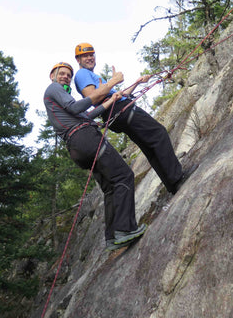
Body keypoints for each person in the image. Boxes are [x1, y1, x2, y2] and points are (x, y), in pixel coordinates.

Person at [44, 62, 146, 251]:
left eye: (68, 75)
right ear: (52, 75)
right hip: (86, 139)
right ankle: (124, 229)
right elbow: (77, 110)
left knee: (110, 188)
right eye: (62, 74)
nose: (66, 77)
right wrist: (109, 85)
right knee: (124, 176)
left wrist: (110, 100)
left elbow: (87, 115)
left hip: (77, 147)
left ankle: (112, 237)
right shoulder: (54, 88)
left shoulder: (62, 99)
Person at [73, 43, 186, 195]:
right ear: (78, 59)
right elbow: (91, 98)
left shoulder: (93, 76)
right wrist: (113, 81)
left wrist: (138, 81)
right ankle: (177, 178)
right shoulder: (82, 75)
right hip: (121, 110)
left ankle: (172, 184)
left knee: (149, 146)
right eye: (85, 55)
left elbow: (118, 95)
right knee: (158, 133)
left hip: (117, 112)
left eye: (91, 54)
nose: (89, 58)